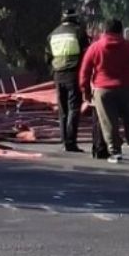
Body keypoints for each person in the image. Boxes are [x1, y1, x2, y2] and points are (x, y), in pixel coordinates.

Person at [78, 19, 129, 164]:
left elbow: (85, 71)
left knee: (108, 122)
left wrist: (86, 92)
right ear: (121, 31)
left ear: (104, 31)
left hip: (103, 90)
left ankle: (115, 152)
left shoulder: (95, 48)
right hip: (127, 87)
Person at [45, 9, 91, 153]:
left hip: (58, 75)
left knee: (63, 109)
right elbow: (87, 54)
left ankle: (64, 140)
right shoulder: (78, 32)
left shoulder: (52, 34)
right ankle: (71, 142)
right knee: (73, 108)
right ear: (75, 19)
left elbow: (47, 58)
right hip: (73, 74)